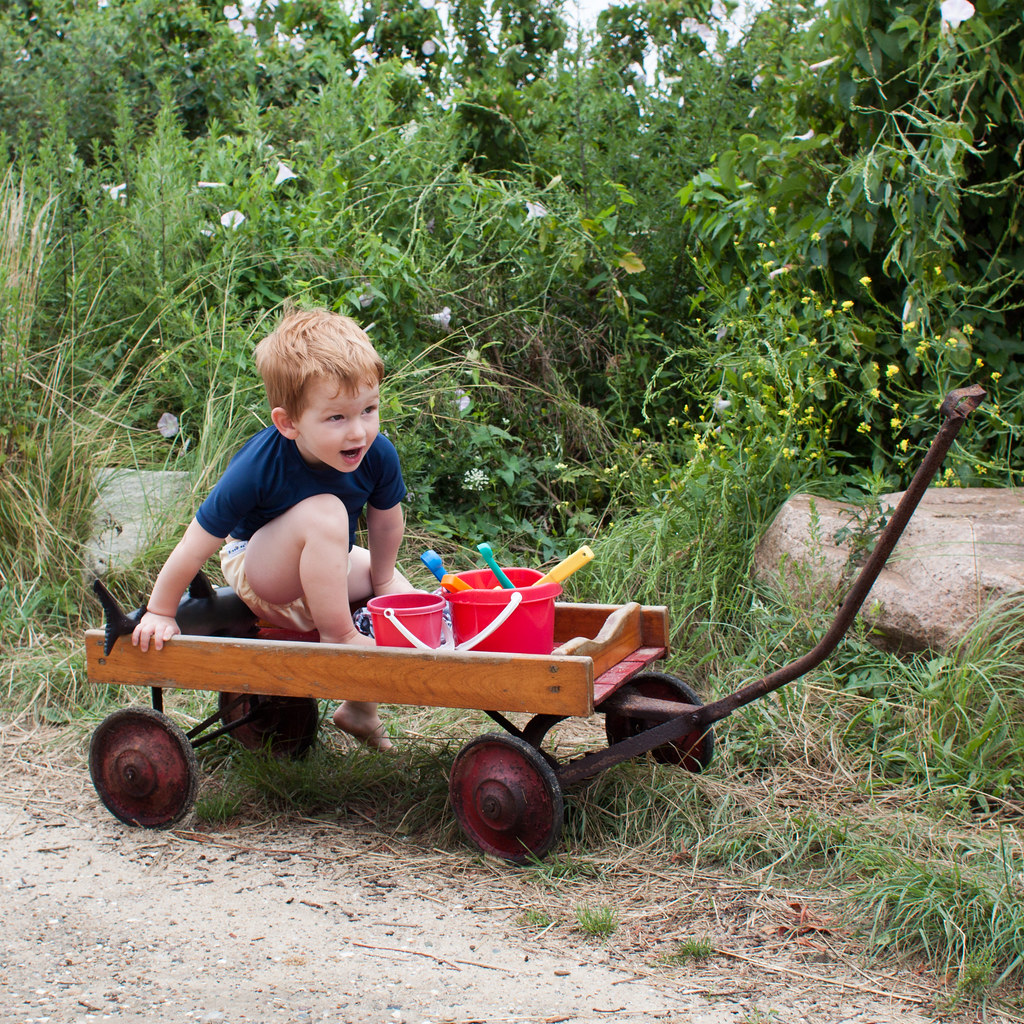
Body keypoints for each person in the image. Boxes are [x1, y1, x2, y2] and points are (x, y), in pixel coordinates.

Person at [131, 308, 414, 750]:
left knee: (400, 592)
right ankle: (340, 636)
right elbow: (196, 542)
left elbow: (385, 523)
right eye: (336, 418)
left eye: (369, 409)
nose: (358, 431)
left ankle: (360, 708)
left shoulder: (376, 453)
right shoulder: (259, 464)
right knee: (326, 511)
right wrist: (161, 610)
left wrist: (383, 582)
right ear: (288, 422)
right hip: (260, 569)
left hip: (323, 566)